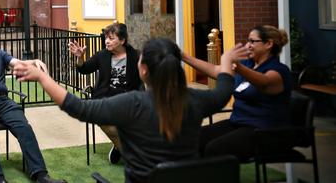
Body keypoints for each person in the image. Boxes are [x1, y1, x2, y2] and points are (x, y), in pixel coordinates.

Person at [14, 38, 247, 183]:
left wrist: (43, 78)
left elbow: (78, 108)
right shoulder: (196, 99)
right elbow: (224, 89)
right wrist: (225, 58)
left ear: (143, 70)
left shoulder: (132, 104)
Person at [0, 20, 66, 183]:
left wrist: (34, 61)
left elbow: (18, 64)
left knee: (24, 127)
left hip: (3, 100)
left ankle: (41, 175)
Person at [182, 25, 293, 161]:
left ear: (269, 44)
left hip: (265, 131)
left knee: (215, 149)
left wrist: (238, 67)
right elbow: (216, 70)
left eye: (253, 41)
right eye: (248, 41)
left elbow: (264, 82)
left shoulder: (278, 71)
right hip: (238, 123)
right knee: (192, 140)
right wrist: (183, 56)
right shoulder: (248, 64)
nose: (248, 45)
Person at [68, 22, 141, 164]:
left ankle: (120, 146)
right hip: (105, 99)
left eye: (111, 38)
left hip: (128, 99)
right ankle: (129, 155)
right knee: (104, 121)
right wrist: (80, 57)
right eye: (106, 37)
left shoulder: (135, 56)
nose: (106, 41)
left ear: (122, 40)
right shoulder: (102, 56)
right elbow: (84, 69)